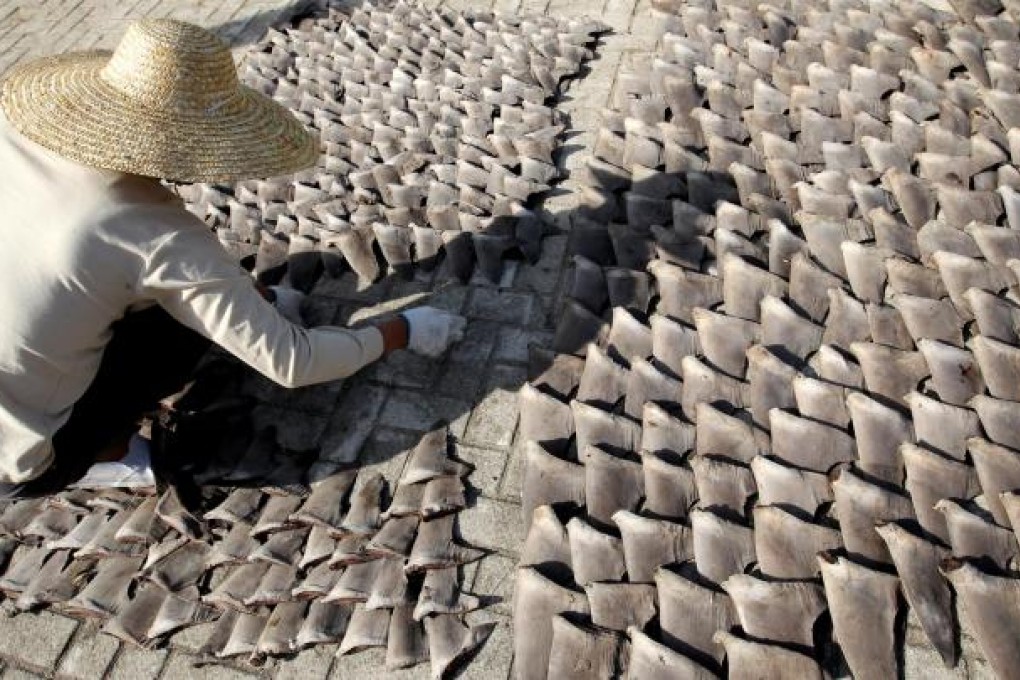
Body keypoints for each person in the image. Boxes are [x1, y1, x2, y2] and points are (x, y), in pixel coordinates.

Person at [0, 19, 467, 498]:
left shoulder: (9, 130)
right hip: (13, 462)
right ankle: (107, 457)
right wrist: (403, 330)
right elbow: (293, 363)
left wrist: (252, 298)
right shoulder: (152, 230)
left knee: (114, 289)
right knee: (178, 333)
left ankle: (243, 306)